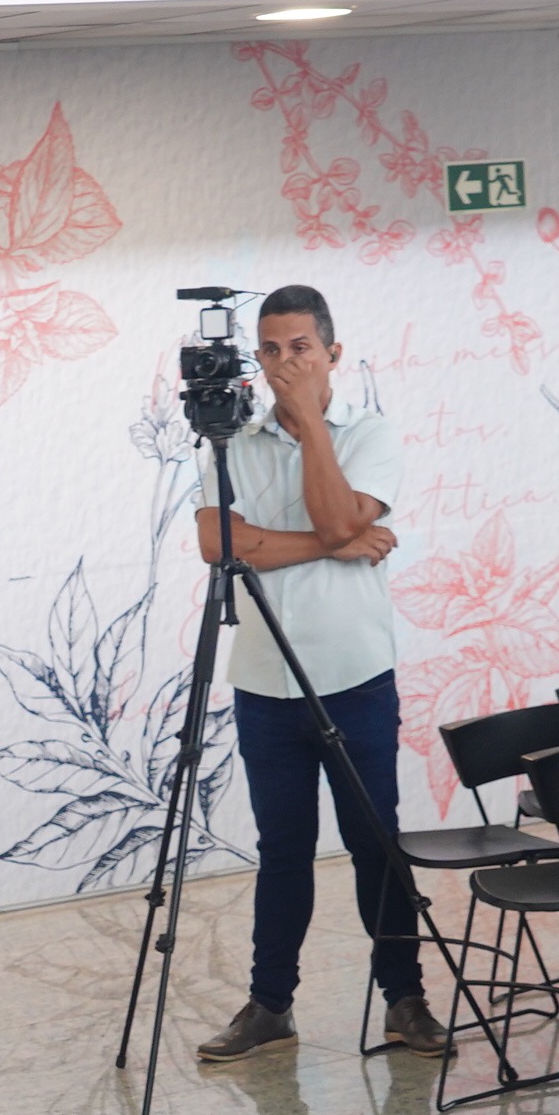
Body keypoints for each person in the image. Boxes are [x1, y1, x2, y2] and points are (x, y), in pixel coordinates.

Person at [195, 284, 451, 1063]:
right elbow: (221, 546)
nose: (285, 363)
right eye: (271, 350)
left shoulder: (370, 434)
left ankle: (404, 999)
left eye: (301, 348)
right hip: (264, 683)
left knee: (376, 843)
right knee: (283, 849)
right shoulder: (229, 443)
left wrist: (310, 426)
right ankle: (270, 1005)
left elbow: (340, 516)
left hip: (354, 678)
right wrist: (333, 544)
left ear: (333, 353)